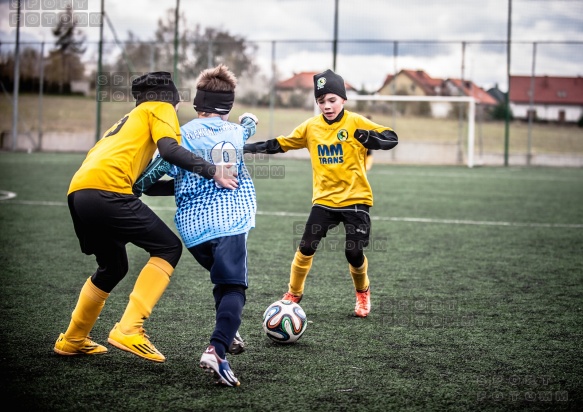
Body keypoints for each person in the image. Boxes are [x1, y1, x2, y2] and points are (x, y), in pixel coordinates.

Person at [54, 71, 238, 363]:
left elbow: (146, 185)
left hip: (80, 193)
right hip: (108, 190)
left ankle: (73, 339)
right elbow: (170, 149)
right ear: (173, 100)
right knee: (168, 247)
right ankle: (129, 328)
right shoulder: (161, 107)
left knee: (112, 267)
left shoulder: (130, 118)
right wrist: (212, 170)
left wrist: (188, 184)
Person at [244, 69, 398, 318]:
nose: (327, 106)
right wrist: (245, 147)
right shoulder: (310, 127)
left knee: (353, 251)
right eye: (321, 101)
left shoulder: (356, 121)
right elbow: (279, 144)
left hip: (356, 199)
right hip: (324, 201)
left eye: (332, 100)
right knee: (305, 246)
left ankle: (363, 292)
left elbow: (391, 138)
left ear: (343, 100)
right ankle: (293, 294)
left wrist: (368, 138)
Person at [139, 65, 256, 387]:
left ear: (196, 104)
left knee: (221, 282)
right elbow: (247, 127)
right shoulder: (236, 132)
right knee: (233, 287)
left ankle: (227, 335)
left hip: (193, 231)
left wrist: (181, 185)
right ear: (229, 106)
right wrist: (250, 121)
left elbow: (147, 184)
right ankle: (216, 350)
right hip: (231, 219)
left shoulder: (180, 137)